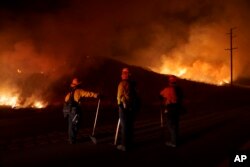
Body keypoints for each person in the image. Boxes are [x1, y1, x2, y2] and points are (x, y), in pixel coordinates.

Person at [64, 77, 99, 144]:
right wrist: (96, 95)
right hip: (76, 111)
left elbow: (65, 100)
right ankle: (73, 140)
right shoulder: (79, 91)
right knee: (76, 124)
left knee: (71, 125)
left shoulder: (70, 93)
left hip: (69, 111)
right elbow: (88, 93)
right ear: (78, 85)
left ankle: (71, 139)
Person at [116, 68, 140, 151]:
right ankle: (130, 143)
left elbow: (119, 96)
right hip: (132, 108)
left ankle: (124, 145)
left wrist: (119, 105)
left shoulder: (122, 84)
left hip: (124, 107)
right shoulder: (133, 84)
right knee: (130, 125)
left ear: (124, 75)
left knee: (125, 126)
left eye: (123, 73)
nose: (122, 75)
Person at [160, 75, 183, 147]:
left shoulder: (167, 89)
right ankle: (176, 140)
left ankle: (173, 142)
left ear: (169, 82)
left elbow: (160, 95)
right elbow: (182, 97)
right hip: (177, 108)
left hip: (170, 108)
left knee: (171, 125)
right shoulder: (179, 89)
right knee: (176, 125)